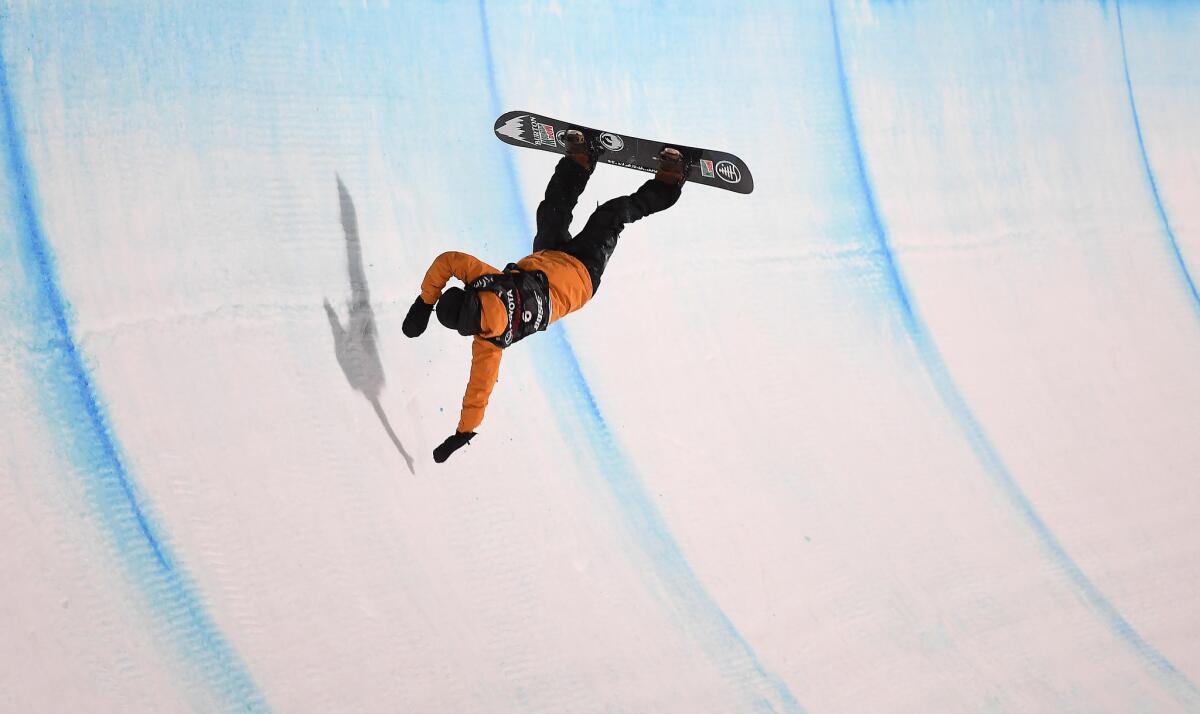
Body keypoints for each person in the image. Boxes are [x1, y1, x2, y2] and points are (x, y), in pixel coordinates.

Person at [402, 130, 687, 463]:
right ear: (468, 295)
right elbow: (448, 261)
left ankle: (585, 160)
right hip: (582, 271)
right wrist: (425, 302)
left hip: (553, 261)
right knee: (601, 214)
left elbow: (477, 394)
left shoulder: (489, 344)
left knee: (572, 212)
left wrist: (463, 433)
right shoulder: (485, 282)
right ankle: (667, 183)